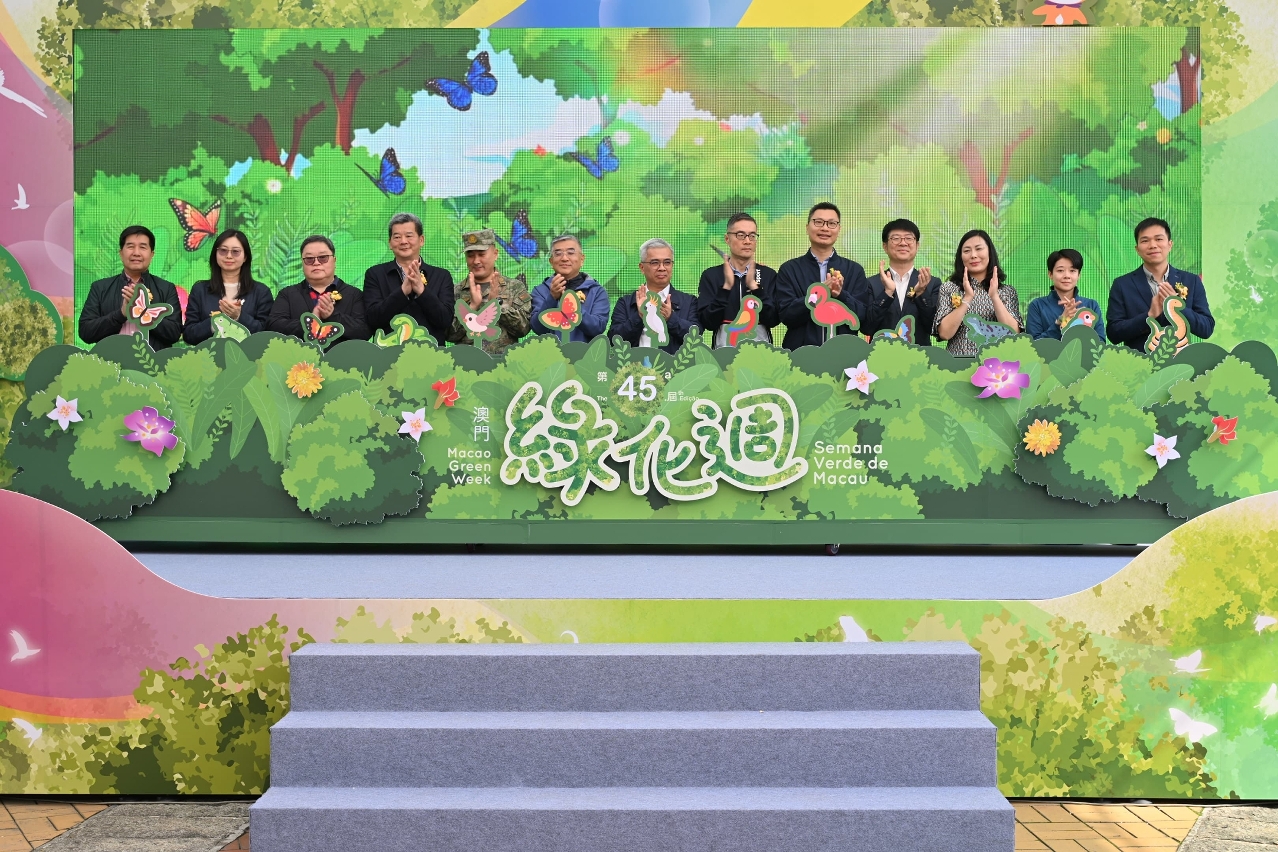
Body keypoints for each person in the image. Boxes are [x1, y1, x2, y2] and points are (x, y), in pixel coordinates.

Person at [773, 202, 870, 350]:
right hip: (801, 354)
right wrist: (818, 294)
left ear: (839, 229)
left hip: (844, 355)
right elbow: (786, 315)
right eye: (818, 222)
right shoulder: (789, 269)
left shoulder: (854, 270)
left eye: (831, 223)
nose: (825, 228)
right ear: (807, 227)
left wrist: (841, 295)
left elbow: (862, 316)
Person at [1106, 218, 1214, 350]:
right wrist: (1150, 316)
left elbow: (1206, 329)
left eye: (1158, 239)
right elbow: (1113, 333)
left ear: (1170, 244)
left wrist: (1176, 307)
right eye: (1145, 241)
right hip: (1139, 361)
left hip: (1180, 359)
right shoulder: (1122, 285)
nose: (1152, 245)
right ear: (1137, 249)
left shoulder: (1191, 281)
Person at [79, 225, 182, 349]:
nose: (136, 253)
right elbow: (85, 332)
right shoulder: (100, 288)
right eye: (130, 246)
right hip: (111, 360)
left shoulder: (166, 288)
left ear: (152, 254)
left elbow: (175, 333)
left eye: (143, 247)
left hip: (153, 361)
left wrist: (144, 313)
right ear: (121, 253)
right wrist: (121, 314)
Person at [362, 213, 454, 346]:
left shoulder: (441, 276)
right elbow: (372, 319)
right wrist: (402, 292)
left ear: (421, 240)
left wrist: (422, 291)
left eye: (409, 236)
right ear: (390, 243)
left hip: (431, 353)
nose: (403, 241)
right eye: (397, 237)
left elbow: (445, 320)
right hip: (387, 353)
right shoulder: (375, 274)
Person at [933, 229, 1023, 356]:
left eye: (979, 249)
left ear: (990, 252)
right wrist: (967, 298)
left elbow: (1013, 333)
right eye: (967, 251)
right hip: (957, 362)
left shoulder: (1006, 291)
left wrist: (994, 297)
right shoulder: (949, 288)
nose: (973, 255)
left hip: (995, 362)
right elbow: (944, 333)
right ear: (960, 257)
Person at [696, 213, 778, 348]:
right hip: (723, 355)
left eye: (752, 236)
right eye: (740, 235)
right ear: (727, 239)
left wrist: (756, 289)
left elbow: (773, 320)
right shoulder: (711, 275)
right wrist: (726, 288)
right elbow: (708, 322)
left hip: (760, 355)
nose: (747, 241)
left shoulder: (768, 274)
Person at [267, 235, 369, 343]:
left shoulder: (355, 295)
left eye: (323, 257)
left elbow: (364, 331)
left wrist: (333, 316)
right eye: (309, 259)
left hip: (341, 354)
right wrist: (311, 322)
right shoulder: (287, 294)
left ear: (334, 260)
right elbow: (273, 327)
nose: (316, 263)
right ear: (302, 263)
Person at [447, 228, 532, 356]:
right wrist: (472, 307)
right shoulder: (456, 291)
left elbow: (523, 329)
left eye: (481, 254)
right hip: (466, 363)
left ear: (495, 254)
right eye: (470, 255)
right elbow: (449, 334)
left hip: (504, 363)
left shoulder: (515, 287)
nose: (476, 261)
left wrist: (496, 305)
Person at [607, 238, 698, 354]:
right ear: (642, 268)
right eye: (655, 263)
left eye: (667, 262)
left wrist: (671, 318)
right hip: (635, 364)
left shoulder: (689, 302)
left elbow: (696, 338)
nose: (662, 268)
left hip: (674, 365)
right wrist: (639, 316)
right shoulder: (626, 302)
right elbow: (614, 340)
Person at [183, 230, 274, 344]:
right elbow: (188, 334)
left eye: (235, 251)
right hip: (209, 354)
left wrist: (239, 316)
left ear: (245, 256)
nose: (229, 256)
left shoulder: (261, 292)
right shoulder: (200, 290)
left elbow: (267, 334)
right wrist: (216, 322)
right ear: (215, 254)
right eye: (223, 250)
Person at [863, 218, 939, 346]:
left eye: (909, 238)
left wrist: (921, 293)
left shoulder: (932, 283)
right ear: (885, 246)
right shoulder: (871, 283)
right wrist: (887, 293)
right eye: (896, 238)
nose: (903, 243)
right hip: (881, 354)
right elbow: (867, 328)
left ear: (917, 246)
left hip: (919, 355)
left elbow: (934, 328)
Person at [529, 235, 610, 343]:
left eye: (571, 253)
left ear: (582, 259)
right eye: (558, 254)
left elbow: (597, 328)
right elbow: (538, 328)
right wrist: (552, 298)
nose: (564, 258)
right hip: (552, 353)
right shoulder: (540, 291)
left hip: (585, 353)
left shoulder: (597, 291)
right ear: (551, 262)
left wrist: (571, 305)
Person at [1026, 249, 1105, 342]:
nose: (1067, 275)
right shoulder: (1037, 305)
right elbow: (1033, 344)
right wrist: (1061, 320)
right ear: (1050, 274)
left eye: (1072, 270)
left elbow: (1100, 342)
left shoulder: (1091, 305)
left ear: (1079, 275)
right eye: (1060, 270)